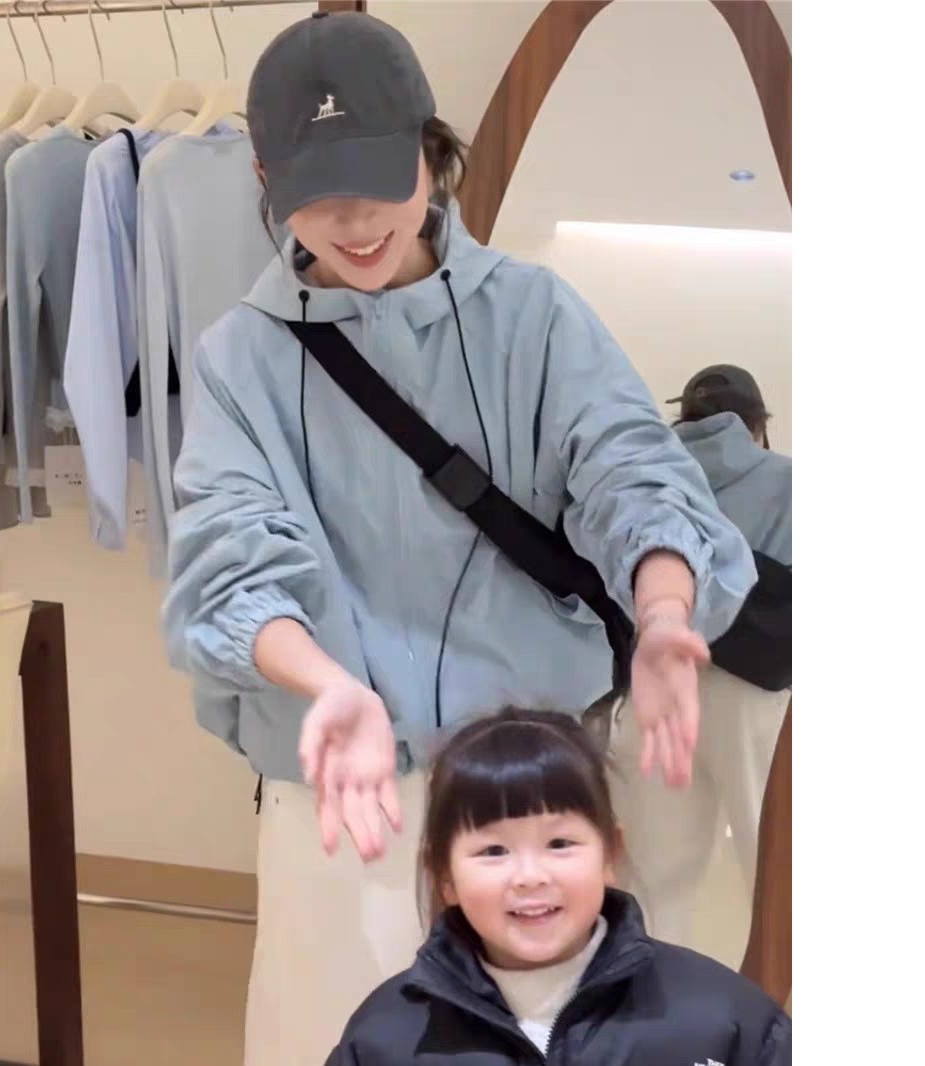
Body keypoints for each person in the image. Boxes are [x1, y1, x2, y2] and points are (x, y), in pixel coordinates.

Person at [162, 12, 756, 1065]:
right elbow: (228, 559)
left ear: (430, 154)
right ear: (264, 177)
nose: (353, 223)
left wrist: (664, 608)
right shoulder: (240, 359)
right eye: (317, 194)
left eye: (378, 181)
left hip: (530, 780)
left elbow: (630, 469)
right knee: (336, 1036)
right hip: (348, 791)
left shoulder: (534, 315)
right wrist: (326, 685)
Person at [325, 708, 791, 1065]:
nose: (530, 875)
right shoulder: (386, 1039)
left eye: (559, 844)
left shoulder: (720, 1019)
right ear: (445, 876)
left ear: (610, 853)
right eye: (494, 851)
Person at [609, 364, 792, 949]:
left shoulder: (649, 476)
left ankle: (652, 987)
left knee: (655, 867)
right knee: (773, 856)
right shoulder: (788, 480)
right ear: (757, 424)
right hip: (753, 690)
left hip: (656, 679)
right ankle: (782, 992)